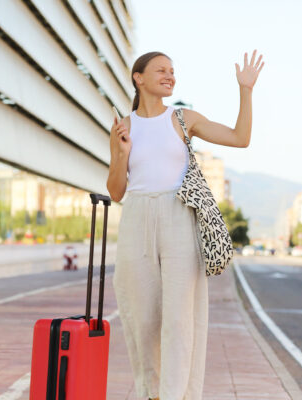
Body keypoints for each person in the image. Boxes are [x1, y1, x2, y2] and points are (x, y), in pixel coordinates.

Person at [107, 50, 264, 400]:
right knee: (142, 316)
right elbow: (116, 190)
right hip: (136, 217)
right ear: (139, 78)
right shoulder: (124, 126)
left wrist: (246, 91)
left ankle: (177, 395)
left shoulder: (182, 118)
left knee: (179, 318)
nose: (169, 75)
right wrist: (120, 152)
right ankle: (153, 392)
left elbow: (240, 138)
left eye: (173, 71)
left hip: (178, 214)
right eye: (161, 70)